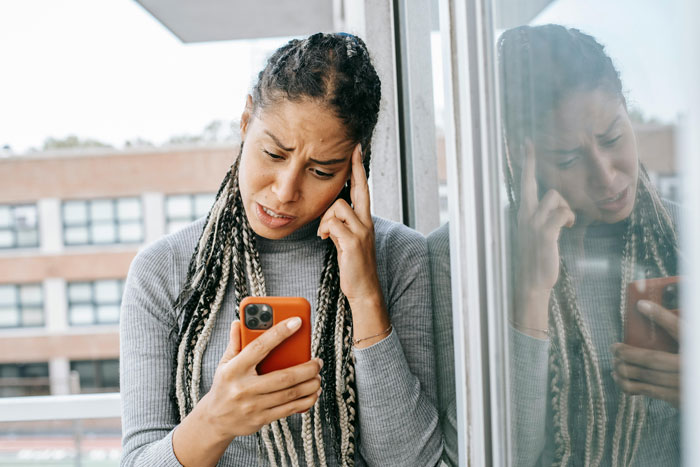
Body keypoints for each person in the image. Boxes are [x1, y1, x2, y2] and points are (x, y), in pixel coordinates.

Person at [119, 32, 442, 467]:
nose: (285, 191)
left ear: (355, 164)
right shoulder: (164, 270)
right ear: (246, 121)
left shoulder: (401, 258)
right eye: (273, 154)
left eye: (321, 170)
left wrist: (366, 296)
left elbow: (411, 462)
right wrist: (214, 422)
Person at [499, 25, 681, 466]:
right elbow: (504, 455)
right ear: (524, 160)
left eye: (613, 138)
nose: (606, 175)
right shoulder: (476, 259)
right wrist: (530, 292)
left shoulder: (685, 234)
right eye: (568, 158)